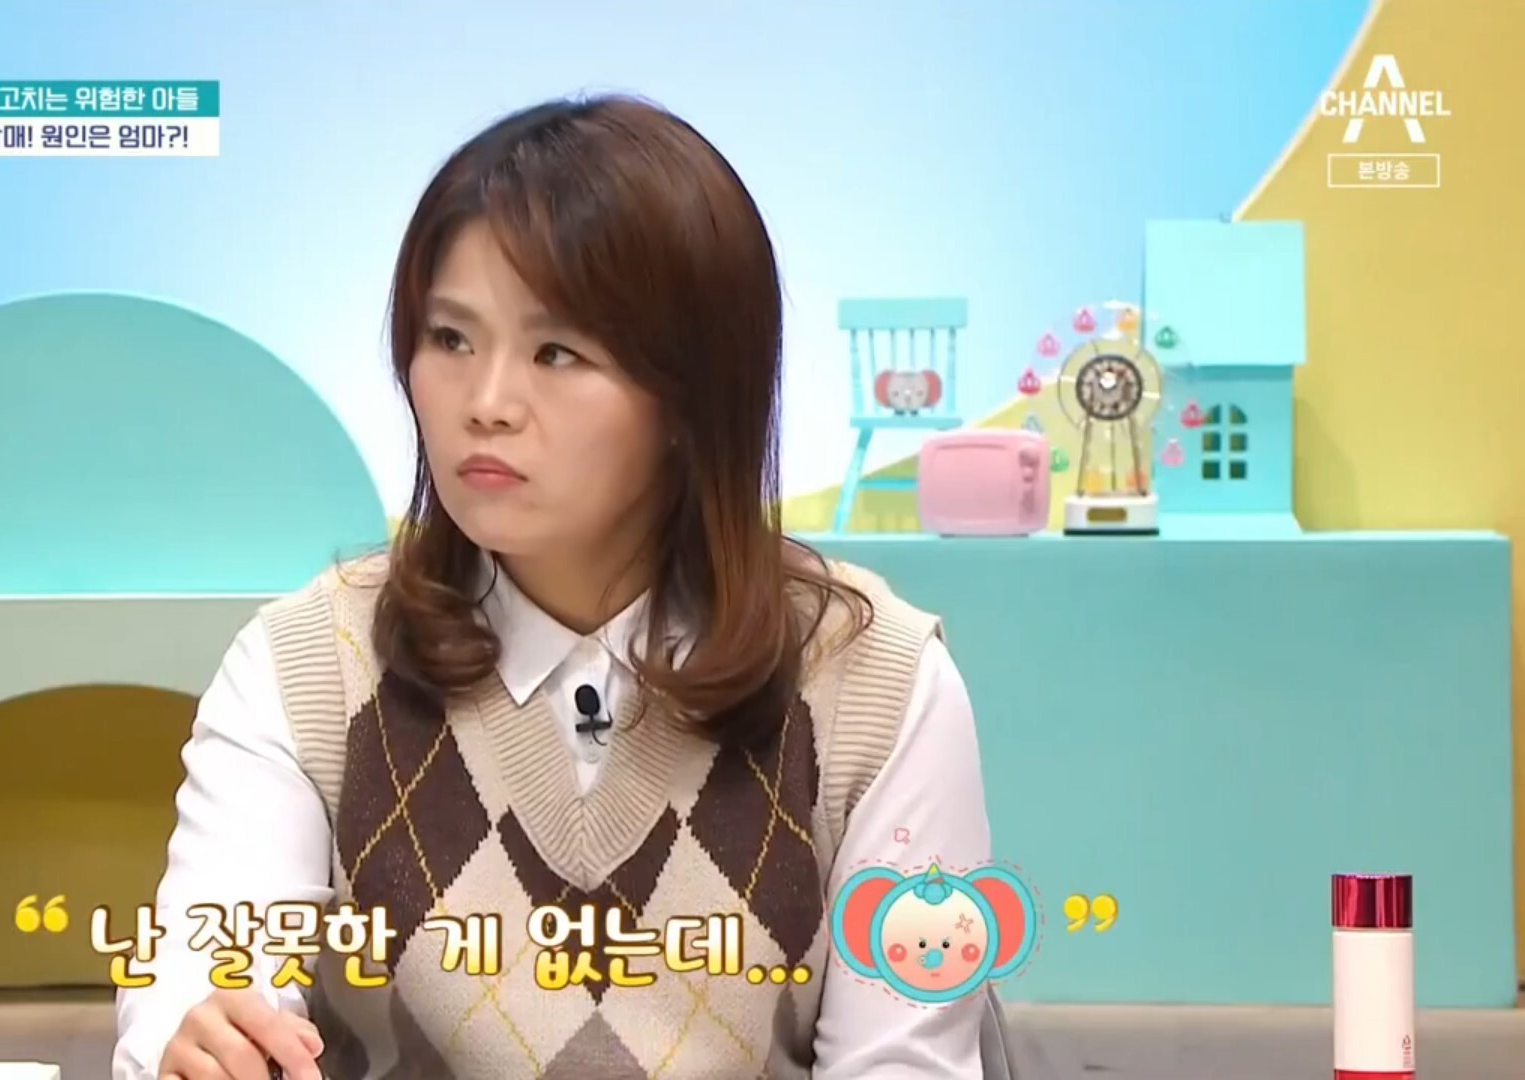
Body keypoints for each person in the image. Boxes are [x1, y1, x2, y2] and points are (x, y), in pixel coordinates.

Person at [112, 94, 993, 1080]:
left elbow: (902, 1062)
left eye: (557, 353)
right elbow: (203, 961)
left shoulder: (877, 683)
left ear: (692, 395)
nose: (485, 404)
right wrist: (195, 1032)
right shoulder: (308, 665)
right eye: (451, 339)